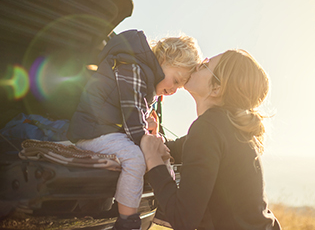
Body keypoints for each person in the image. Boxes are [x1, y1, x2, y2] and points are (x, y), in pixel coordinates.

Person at [67, 29, 202, 230]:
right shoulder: (132, 67)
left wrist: (154, 137)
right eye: (175, 80)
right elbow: (132, 118)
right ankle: (127, 222)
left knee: (161, 154)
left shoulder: (148, 80)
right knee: (135, 158)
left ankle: (165, 208)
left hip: (111, 132)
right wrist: (150, 145)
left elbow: (136, 119)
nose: (173, 90)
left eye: (178, 87)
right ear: (164, 58)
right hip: (93, 132)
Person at [141, 49, 282, 230]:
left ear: (216, 88)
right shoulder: (225, 126)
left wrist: (154, 162)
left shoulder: (209, 128)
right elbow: (174, 149)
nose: (199, 64)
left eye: (206, 65)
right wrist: (154, 136)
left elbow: (183, 219)